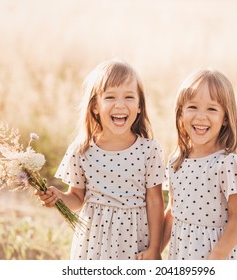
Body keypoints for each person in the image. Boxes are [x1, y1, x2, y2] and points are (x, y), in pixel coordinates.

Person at [36, 59, 165, 260]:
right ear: (95, 106)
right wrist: (58, 198)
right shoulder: (82, 150)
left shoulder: (149, 150)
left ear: (139, 106)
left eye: (129, 97)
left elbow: (155, 201)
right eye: (110, 97)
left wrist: (155, 248)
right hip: (93, 244)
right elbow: (77, 199)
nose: (120, 105)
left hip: (135, 242)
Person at [162, 68, 237, 260]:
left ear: (225, 118)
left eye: (212, 109)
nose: (201, 116)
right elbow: (172, 211)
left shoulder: (227, 163)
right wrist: (155, 250)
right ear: (180, 113)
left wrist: (217, 257)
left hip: (217, 256)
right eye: (192, 107)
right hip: (182, 254)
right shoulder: (176, 161)